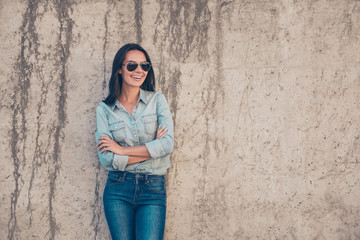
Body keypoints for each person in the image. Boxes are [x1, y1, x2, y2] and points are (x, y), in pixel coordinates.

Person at [95, 43, 174, 240]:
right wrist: (151, 150)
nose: (139, 70)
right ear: (120, 69)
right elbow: (106, 160)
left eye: (144, 66)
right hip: (117, 190)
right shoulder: (104, 110)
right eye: (132, 65)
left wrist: (121, 151)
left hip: (153, 188)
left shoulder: (157, 101)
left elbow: (166, 145)